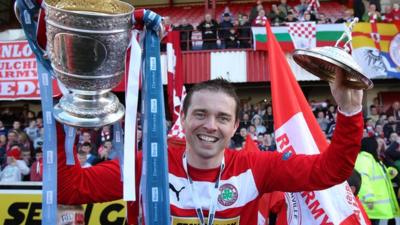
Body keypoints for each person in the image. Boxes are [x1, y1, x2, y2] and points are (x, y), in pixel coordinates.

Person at [58, 76, 363, 224]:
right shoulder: (146, 166)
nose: (210, 126)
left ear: (235, 126)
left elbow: (331, 171)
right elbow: (69, 189)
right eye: (201, 114)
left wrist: (349, 111)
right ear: (183, 118)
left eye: (222, 118)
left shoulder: (256, 166)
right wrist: (62, 116)